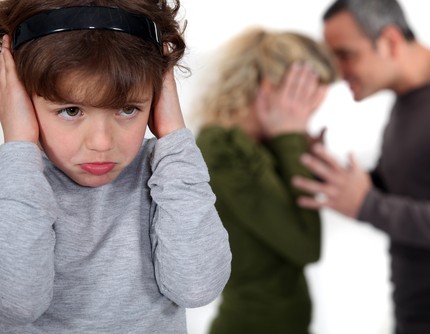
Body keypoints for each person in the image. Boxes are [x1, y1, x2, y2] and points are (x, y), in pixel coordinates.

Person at [0, 0, 231, 333]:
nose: (102, 143)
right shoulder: (12, 182)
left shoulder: (169, 173)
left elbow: (197, 287)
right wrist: (19, 146)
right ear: (18, 94)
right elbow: (15, 303)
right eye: (70, 110)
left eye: (126, 109)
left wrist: (173, 133)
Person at [292, 0, 430, 333]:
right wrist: (333, 176)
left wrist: (367, 205)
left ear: (389, 41)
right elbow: (410, 186)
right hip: (417, 313)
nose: (337, 72)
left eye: (345, 54)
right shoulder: (409, 100)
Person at [194, 27, 336, 334]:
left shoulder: (259, 143)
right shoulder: (222, 147)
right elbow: (307, 246)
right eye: (305, 96)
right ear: (272, 87)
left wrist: (294, 150)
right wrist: (290, 140)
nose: (310, 110)